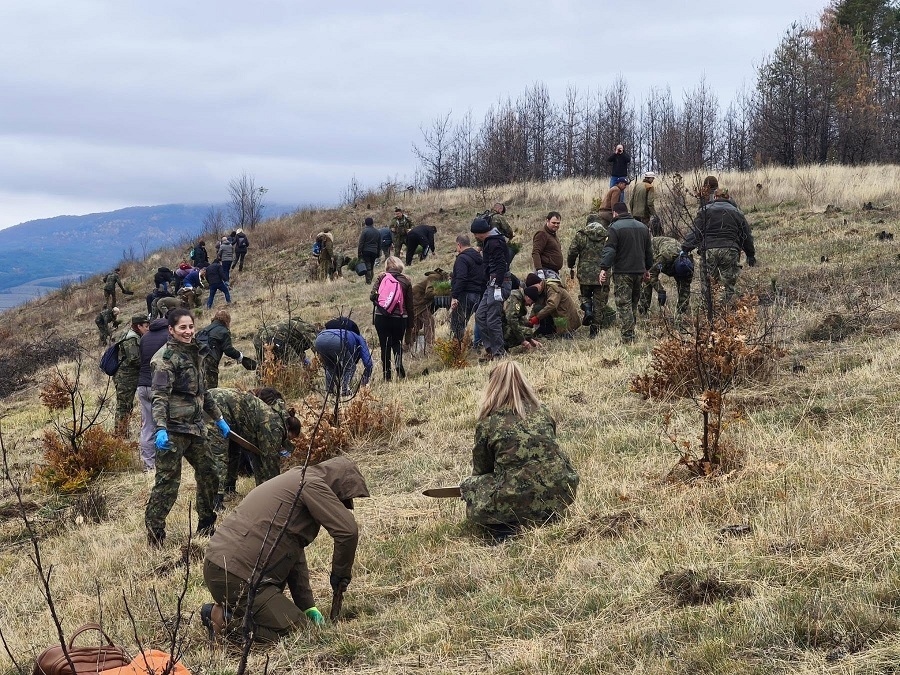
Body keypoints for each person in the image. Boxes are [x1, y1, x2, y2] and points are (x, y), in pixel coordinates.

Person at [201, 456, 370, 643]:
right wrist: (340, 575)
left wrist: (307, 606)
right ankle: (222, 618)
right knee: (301, 634)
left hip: (219, 568)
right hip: (239, 576)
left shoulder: (296, 479)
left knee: (299, 621)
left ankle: (236, 610)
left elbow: (293, 553)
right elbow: (347, 532)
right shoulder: (312, 485)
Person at [460, 361, 579, 541]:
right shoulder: (543, 411)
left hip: (513, 495)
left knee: (472, 485)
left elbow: (481, 469)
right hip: (561, 490)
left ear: (492, 386)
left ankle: (505, 526)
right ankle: (546, 513)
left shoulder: (489, 422)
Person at [147, 309, 231, 547]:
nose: (188, 331)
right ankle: (155, 536)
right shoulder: (164, 359)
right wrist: (161, 428)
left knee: (210, 473)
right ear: (171, 330)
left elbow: (202, 393)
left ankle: (206, 526)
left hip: (195, 428)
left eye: (191, 327)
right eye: (182, 328)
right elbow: (160, 397)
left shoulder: (197, 354)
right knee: (167, 485)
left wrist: (219, 418)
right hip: (173, 430)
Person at [207, 387, 301, 510]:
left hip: (228, 410)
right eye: (291, 438)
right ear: (290, 430)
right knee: (220, 455)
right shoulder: (274, 426)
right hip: (217, 405)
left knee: (234, 451)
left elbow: (257, 454)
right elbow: (270, 463)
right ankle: (215, 501)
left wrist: (260, 488)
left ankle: (228, 488)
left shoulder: (279, 416)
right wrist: (277, 492)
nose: (289, 441)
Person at [682, 187, 756, 303]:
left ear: (715, 197)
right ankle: (724, 310)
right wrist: (750, 254)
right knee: (728, 285)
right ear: (728, 197)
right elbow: (745, 235)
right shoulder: (737, 212)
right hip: (730, 250)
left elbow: (696, 233)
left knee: (708, 284)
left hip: (709, 250)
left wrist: (685, 248)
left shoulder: (704, 210)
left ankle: (710, 311)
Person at [599, 203, 653, 344]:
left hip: (623, 272)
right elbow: (649, 251)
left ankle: (628, 339)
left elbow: (610, 250)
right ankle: (631, 334)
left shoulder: (614, 228)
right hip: (639, 272)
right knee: (633, 304)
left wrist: (604, 268)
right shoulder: (643, 227)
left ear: (615, 213)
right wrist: (647, 268)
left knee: (624, 305)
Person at [472, 217, 511, 360]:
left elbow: (501, 265)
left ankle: (499, 353)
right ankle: (490, 349)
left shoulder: (494, 242)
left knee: (492, 319)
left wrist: (497, 285)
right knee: (480, 316)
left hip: (498, 282)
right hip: (492, 283)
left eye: (476, 234)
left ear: (480, 233)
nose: (475, 237)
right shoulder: (491, 241)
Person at [567, 214, 611, 338]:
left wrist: (571, 265)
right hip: (603, 275)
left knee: (584, 296)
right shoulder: (608, 236)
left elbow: (572, 252)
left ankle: (587, 310)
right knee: (600, 303)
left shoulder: (581, 235)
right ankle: (594, 331)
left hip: (585, 274)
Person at [370, 256, 413, 380]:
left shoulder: (382, 278)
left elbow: (372, 296)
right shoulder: (406, 280)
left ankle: (387, 375)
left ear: (387, 266)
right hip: (400, 317)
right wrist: (410, 324)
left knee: (385, 346)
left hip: (382, 316)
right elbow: (410, 305)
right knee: (397, 343)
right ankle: (399, 367)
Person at [137, 314, 170, 472]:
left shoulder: (144, 337)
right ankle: (165, 462)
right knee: (165, 424)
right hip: (159, 385)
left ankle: (148, 466)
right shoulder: (169, 336)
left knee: (147, 426)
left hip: (142, 385)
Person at [196, 310, 257, 389]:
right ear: (227, 321)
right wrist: (240, 356)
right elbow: (228, 350)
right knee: (210, 391)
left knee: (198, 389)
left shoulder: (202, 331)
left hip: (196, 361)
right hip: (210, 362)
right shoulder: (224, 331)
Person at [313, 317, 373, 396]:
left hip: (319, 339)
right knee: (351, 366)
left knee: (330, 367)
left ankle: (329, 392)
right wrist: (364, 382)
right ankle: (345, 390)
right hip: (337, 340)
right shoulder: (359, 337)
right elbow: (368, 363)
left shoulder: (343, 332)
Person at [113, 314, 150, 437]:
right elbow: (134, 359)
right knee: (123, 406)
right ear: (138, 326)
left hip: (128, 377)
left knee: (126, 405)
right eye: (146, 326)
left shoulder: (130, 334)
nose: (148, 329)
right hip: (126, 378)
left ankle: (122, 432)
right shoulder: (131, 339)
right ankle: (120, 435)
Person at [639, 236, 694, 316]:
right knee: (647, 278)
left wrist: (681, 311)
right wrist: (660, 290)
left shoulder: (689, 266)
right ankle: (643, 310)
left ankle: (681, 313)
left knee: (684, 285)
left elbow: (685, 288)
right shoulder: (665, 258)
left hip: (671, 250)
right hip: (653, 248)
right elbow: (652, 274)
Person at [450, 234, 485, 342]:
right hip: (478, 294)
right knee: (480, 320)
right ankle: (478, 344)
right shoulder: (479, 257)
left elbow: (461, 278)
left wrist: (455, 296)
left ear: (459, 245)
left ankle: (457, 350)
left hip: (465, 295)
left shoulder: (462, 258)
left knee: (458, 324)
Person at [404, 268, 449, 352]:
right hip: (417, 301)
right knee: (429, 321)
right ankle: (430, 347)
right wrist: (443, 291)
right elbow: (429, 293)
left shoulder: (439, 278)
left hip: (419, 301)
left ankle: (405, 348)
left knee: (416, 325)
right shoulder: (434, 277)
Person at [253, 317, 317, 365]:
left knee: (265, 364)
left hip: (261, 336)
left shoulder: (298, 326)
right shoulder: (310, 329)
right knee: (295, 364)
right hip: (272, 335)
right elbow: (318, 350)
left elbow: (297, 349)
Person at [357, 217, 382, 284]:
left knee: (367, 266)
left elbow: (361, 243)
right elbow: (379, 243)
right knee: (371, 265)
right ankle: (370, 279)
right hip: (374, 251)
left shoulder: (365, 231)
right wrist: (378, 252)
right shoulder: (377, 232)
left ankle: (368, 281)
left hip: (366, 251)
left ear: (365, 223)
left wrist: (359, 253)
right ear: (372, 223)